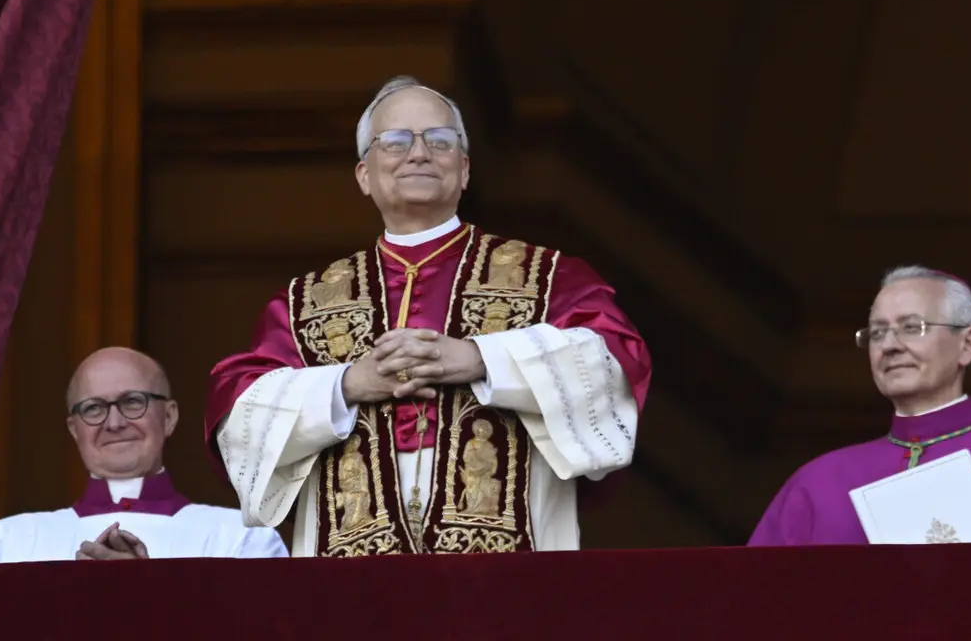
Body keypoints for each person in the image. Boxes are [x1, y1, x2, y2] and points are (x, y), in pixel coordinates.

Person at [207, 75, 651, 556]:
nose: (418, 153)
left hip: (502, 576)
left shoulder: (548, 277)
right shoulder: (304, 302)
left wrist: (481, 359)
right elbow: (238, 415)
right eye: (395, 141)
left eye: (439, 141)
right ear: (363, 175)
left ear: (464, 170)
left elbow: (615, 363)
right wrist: (347, 386)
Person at [748, 266, 971, 546]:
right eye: (876, 332)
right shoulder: (817, 483)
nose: (889, 345)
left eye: (911, 327)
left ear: (968, 344)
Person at [0, 347, 288, 564]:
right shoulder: (8, 542)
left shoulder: (242, 540)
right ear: (74, 429)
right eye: (94, 408)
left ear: (169, 417)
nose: (114, 423)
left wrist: (147, 595)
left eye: (132, 402)